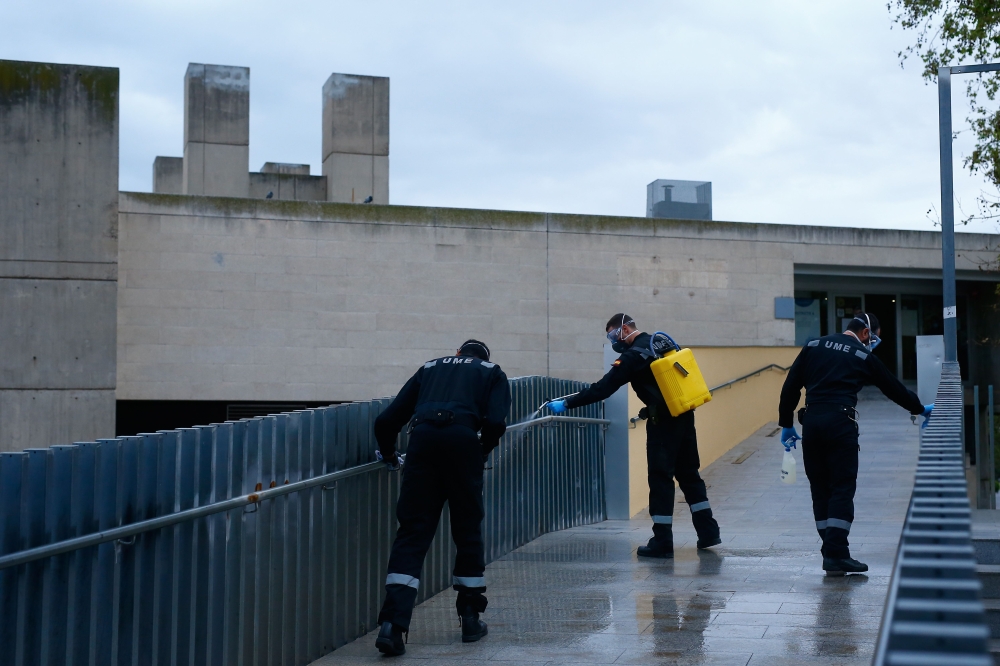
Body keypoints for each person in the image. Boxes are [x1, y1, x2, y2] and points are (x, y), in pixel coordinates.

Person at [372, 339, 511, 656]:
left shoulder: (431, 367)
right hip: (464, 445)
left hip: (422, 444)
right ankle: (471, 619)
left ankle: (392, 626)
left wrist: (392, 456)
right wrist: (481, 451)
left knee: (412, 533)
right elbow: (497, 422)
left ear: (458, 353)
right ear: (484, 357)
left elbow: (386, 420)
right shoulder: (492, 372)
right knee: (467, 530)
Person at [549, 314, 721, 558]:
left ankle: (662, 541)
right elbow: (664, 385)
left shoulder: (632, 356)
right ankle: (709, 532)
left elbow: (603, 388)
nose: (613, 341)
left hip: (663, 424)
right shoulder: (660, 343)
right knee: (690, 475)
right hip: (683, 415)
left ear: (625, 328)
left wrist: (568, 404)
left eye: (612, 335)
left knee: (661, 478)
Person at [778, 313, 933, 576]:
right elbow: (893, 388)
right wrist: (919, 408)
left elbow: (790, 386)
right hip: (840, 423)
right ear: (865, 333)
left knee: (820, 487)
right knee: (842, 486)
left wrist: (786, 424)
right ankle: (836, 555)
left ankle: (831, 551)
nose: (873, 343)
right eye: (875, 338)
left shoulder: (814, 346)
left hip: (812, 422)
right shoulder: (862, 356)